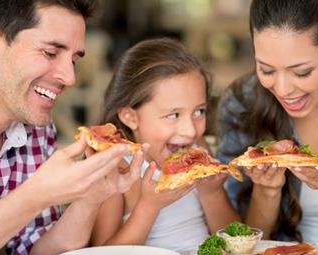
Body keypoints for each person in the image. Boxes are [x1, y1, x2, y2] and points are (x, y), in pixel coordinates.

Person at [216, 0, 318, 255]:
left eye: (302, 72)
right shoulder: (242, 103)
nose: (283, 90)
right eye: (266, 69)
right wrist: (267, 190)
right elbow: (243, 245)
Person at [0, 1, 146, 254]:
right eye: (50, 53)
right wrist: (37, 194)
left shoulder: (35, 130)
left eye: (73, 60)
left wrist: (90, 197)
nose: (70, 78)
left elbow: (37, 249)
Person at [90, 38, 240, 252]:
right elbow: (101, 252)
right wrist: (149, 206)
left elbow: (235, 243)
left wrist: (212, 194)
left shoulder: (199, 152)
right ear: (130, 117)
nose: (190, 131)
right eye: (173, 115)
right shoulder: (117, 169)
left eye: (199, 112)